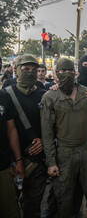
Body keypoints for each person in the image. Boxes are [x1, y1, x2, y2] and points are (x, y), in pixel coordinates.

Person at [41, 58, 87, 218]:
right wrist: (51, 162)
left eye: (70, 71)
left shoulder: (85, 93)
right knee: (64, 195)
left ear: (75, 71)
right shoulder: (50, 97)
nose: (67, 74)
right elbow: (47, 134)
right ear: (56, 73)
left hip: (86, 151)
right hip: (64, 152)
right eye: (63, 71)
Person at [5, 54, 47, 218]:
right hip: (12, 161)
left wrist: (44, 140)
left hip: (37, 162)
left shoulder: (44, 95)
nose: (30, 72)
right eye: (26, 69)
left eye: (33, 70)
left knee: (33, 207)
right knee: (10, 205)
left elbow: (52, 125)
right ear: (17, 69)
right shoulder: (6, 94)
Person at [0, 89, 24, 218]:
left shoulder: (4, 96)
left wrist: (19, 160)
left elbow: (11, 130)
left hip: (3, 166)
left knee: (10, 210)